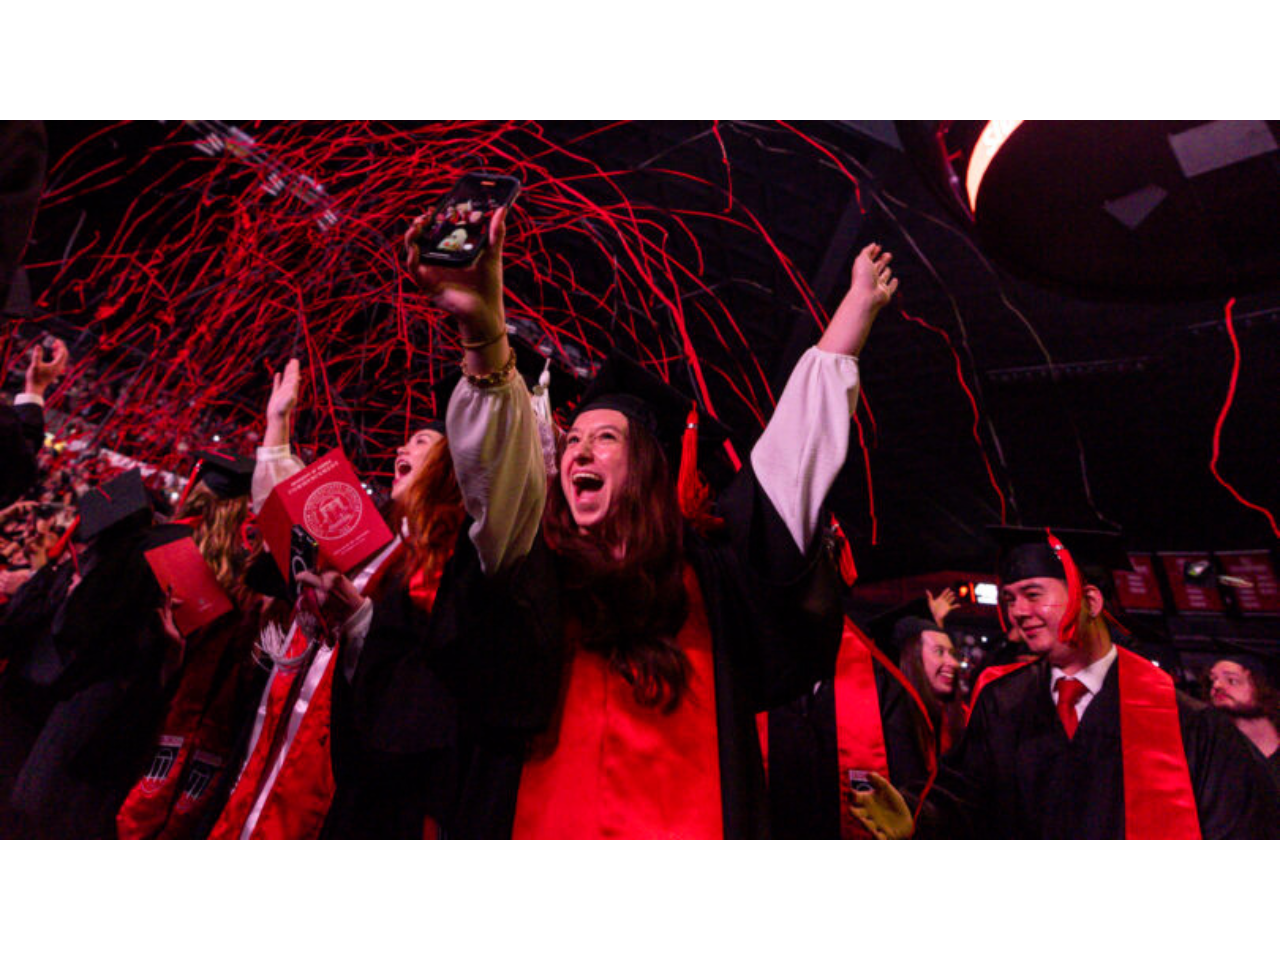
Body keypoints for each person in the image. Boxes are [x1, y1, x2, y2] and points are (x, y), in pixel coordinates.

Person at [408, 204, 898, 838]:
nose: (578, 451)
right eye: (574, 440)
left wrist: (851, 319)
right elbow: (496, 472)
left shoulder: (712, 580)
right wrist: (481, 326)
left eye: (605, 437)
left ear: (645, 466)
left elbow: (787, 469)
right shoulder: (532, 570)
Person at [850, 527, 1280, 839]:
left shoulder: (1186, 721)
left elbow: (1238, 832)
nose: (1017, 611)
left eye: (1033, 594)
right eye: (1009, 598)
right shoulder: (1002, 702)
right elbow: (963, 800)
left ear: (1090, 601)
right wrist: (917, 817)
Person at [209, 358, 468, 839]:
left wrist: (362, 623)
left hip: (348, 779)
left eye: (421, 442)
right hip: (277, 752)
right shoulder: (368, 535)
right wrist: (278, 425)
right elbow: (284, 515)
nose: (400, 448)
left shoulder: (441, 565)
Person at [1206, 650, 1280, 794]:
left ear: (1261, 687)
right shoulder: (1212, 751)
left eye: (1232, 680)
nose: (1217, 686)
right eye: (1213, 680)